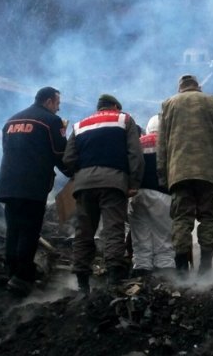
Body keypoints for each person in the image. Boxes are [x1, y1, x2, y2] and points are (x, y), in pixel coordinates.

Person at [63, 94, 144, 293]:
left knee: (84, 231)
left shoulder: (79, 125)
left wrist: (80, 174)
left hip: (83, 185)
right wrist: (134, 182)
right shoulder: (124, 119)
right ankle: (114, 279)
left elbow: (68, 159)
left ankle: (82, 282)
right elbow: (135, 154)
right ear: (116, 106)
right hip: (113, 182)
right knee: (113, 228)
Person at [157, 74, 213, 277]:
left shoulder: (168, 104)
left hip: (178, 173)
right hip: (208, 171)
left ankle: (182, 271)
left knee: (181, 219)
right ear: (198, 87)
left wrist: (163, 176)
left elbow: (162, 144)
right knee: (208, 218)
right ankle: (205, 268)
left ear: (180, 88)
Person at [0, 87, 69, 296]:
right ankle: (23, 278)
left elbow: (10, 150)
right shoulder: (51, 121)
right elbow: (59, 153)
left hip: (8, 186)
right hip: (32, 186)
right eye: (57, 103)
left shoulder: (11, 121)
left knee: (14, 230)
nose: (58, 108)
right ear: (48, 102)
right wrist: (73, 172)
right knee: (29, 230)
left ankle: (11, 272)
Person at [128, 114, 175, 277]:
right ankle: (165, 273)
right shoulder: (170, 143)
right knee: (164, 238)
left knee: (140, 238)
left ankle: (141, 271)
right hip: (162, 195)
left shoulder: (137, 143)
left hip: (136, 195)